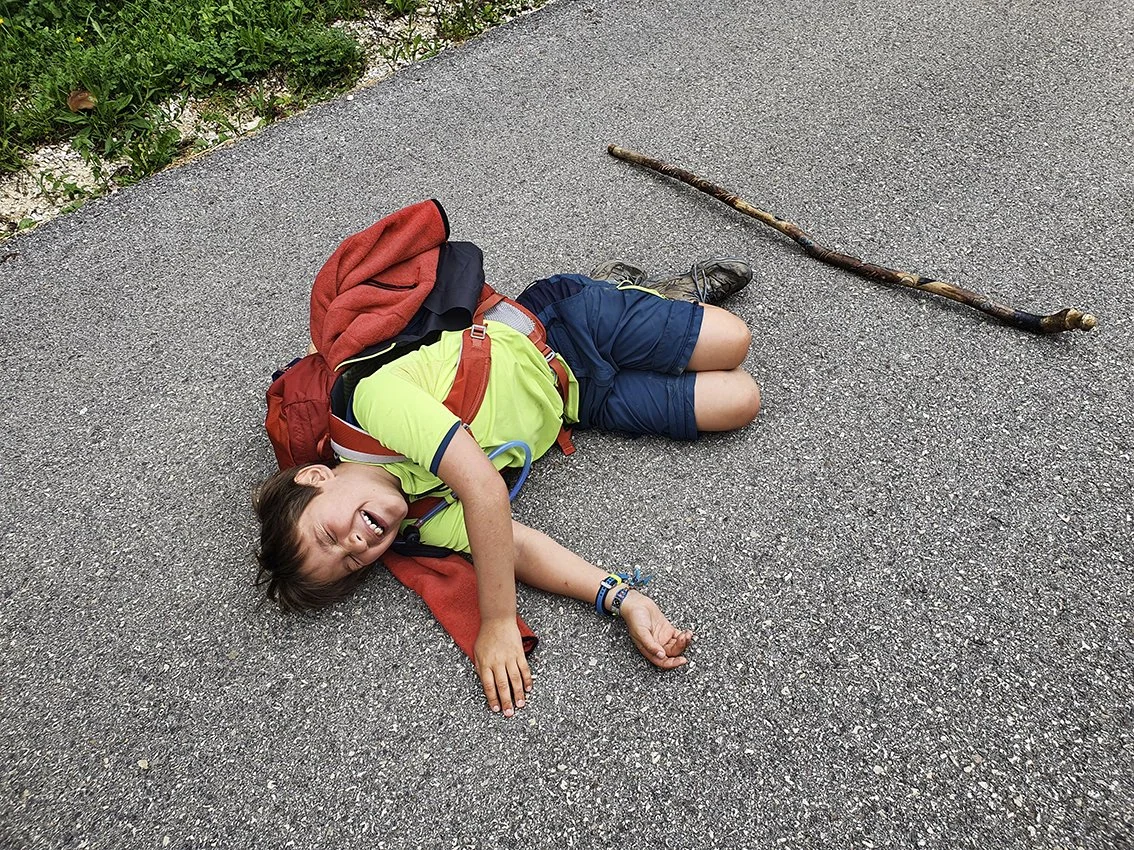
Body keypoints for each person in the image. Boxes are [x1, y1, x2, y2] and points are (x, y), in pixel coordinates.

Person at [255, 258, 762, 717]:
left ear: (316, 477)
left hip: (561, 327)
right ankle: (646, 308)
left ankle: (627, 288)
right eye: (351, 562)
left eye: (328, 535)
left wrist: (497, 621)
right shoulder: (420, 516)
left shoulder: (373, 403)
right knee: (741, 399)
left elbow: (483, 491)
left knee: (733, 339)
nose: (357, 544)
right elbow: (514, 544)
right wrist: (623, 599)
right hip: (576, 402)